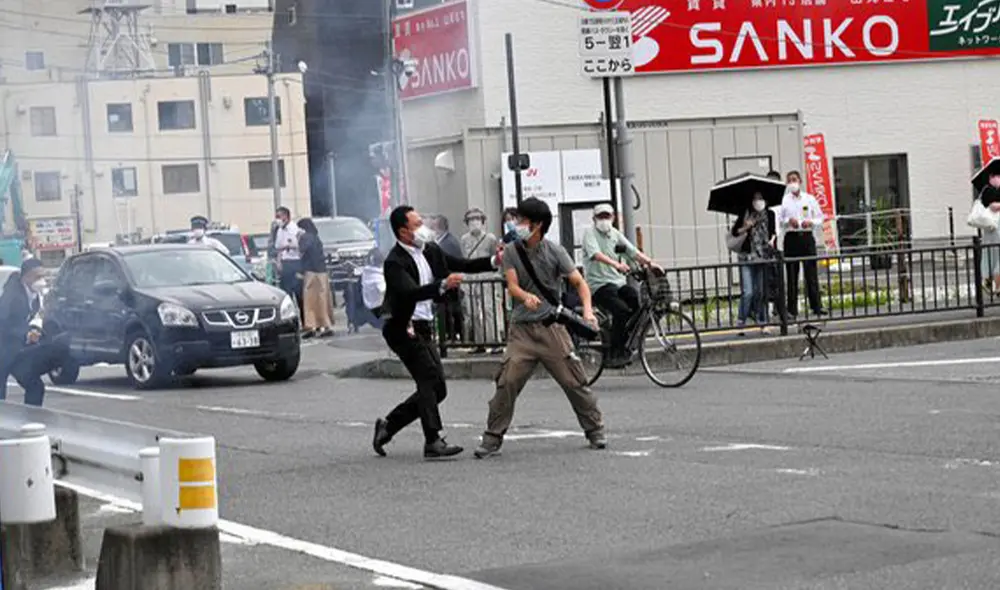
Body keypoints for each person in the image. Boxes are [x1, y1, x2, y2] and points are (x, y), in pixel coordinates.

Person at [474, 198, 607, 459]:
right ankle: (492, 437)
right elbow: (511, 285)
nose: (517, 224)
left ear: (537, 225)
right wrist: (524, 296)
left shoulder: (555, 251)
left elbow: (579, 283)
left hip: (552, 328)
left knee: (574, 379)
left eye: (522, 220)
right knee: (507, 381)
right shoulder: (512, 250)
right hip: (521, 331)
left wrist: (588, 312)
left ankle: (595, 429)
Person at [372, 206, 500, 460]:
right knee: (428, 379)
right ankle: (433, 440)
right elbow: (410, 292)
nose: (424, 228)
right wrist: (441, 285)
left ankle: (389, 425)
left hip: (425, 327)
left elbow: (459, 264)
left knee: (438, 389)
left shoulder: (430, 250)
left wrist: (494, 261)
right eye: (418, 224)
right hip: (402, 329)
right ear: (403, 231)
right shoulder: (395, 262)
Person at [582, 203, 659, 368]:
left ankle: (624, 341)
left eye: (607, 216)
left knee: (636, 302)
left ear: (613, 218)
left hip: (617, 282)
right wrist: (616, 265)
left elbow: (632, 251)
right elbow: (596, 254)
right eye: (600, 217)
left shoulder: (615, 234)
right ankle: (615, 352)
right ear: (594, 219)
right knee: (621, 311)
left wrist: (651, 263)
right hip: (599, 285)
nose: (604, 220)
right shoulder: (590, 233)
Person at [0, 259, 64, 406]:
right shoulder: (11, 295)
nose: (41, 280)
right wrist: (25, 334)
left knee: (35, 386)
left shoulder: (34, 296)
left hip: (15, 349)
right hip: (3, 350)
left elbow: (27, 319)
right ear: (26, 277)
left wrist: (33, 330)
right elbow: (3, 321)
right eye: (37, 276)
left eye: (42, 276)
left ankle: (32, 417)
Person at [778, 171, 827, 318]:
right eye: (789, 180)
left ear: (800, 181)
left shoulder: (809, 199)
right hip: (791, 237)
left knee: (811, 274)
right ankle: (792, 309)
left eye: (794, 180)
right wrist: (788, 221)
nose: (792, 183)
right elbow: (779, 219)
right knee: (792, 275)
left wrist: (810, 222)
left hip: (806, 237)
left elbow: (820, 217)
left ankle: (816, 306)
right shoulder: (784, 200)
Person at [731, 192, 777, 335]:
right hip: (747, 256)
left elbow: (773, 232)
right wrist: (746, 226)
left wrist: (772, 240)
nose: (759, 201)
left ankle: (762, 322)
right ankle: (741, 322)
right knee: (748, 291)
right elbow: (735, 232)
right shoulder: (746, 213)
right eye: (756, 198)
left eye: (761, 198)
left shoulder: (770, 214)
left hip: (762, 255)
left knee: (760, 291)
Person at [460, 208, 501, 351]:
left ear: (482, 221)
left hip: (486, 276)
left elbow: (496, 259)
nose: (474, 222)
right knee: (472, 313)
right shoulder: (464, 239)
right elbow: (464, 259)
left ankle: (495, 341)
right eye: (471, 220)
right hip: (470, 278)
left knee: (489, 309)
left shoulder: (490, 238)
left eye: (477, 219)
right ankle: (479, 343)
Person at [297, 218, 335, 338]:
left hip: (311, 272)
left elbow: (302, 250)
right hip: (322, 271)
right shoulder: (316, 237)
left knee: (310, 301)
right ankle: (325, 325)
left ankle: (311, 326)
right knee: (322, 300)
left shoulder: (305, 237)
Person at [273, 207, 304, 315]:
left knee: (299, 294)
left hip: (295, 263)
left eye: (279, 216)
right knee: (286, 294)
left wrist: (289, 246)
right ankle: (290, 319)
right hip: (285, 263)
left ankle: (306, 322)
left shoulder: (295, 229)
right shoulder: (280, 230)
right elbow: (278, 247)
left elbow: (300, 246)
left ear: (286, 216)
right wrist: (279, 262)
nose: (278, 219)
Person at [978, 172, 1000, 293]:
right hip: (994, 228)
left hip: (992, 229)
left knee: (992, 255)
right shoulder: (989, 191)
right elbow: (992, 206)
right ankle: (995, 286)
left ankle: (992, 284)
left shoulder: (988, 190)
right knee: (993, 255)